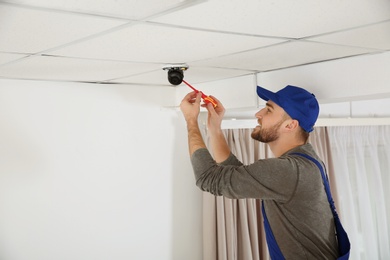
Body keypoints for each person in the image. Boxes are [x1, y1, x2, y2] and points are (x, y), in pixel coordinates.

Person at [180, 85, 339, 259]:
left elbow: (208, 178)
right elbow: (237, 174)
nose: (258, 114)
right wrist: (215, 129)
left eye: (268, 111)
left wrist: (190, 121)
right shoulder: (306, 161)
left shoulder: (290, 170)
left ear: (291, 125)